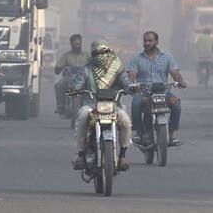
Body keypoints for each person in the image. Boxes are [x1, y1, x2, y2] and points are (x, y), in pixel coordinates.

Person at [72, 40, 132, 171]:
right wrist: (74, 88)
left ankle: (122, 156)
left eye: (103, 52)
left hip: (112, 106)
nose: (100, 56)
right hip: (91, 105)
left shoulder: (118, 69)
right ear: (92, 55)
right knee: (82, 117)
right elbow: (76, 84)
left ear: (109, 52)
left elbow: (126, 82)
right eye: (96, 53)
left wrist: (131, 88)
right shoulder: (87, 69)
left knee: (126, 121)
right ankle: (81, 154)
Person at [128, 31, 187, 146]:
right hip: (144, 93)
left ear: (156, 42)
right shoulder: (137, 58)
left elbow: (175, 72)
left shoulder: (167, 57)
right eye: (145, 41)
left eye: (150, 41)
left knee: (176, 104)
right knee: (135, 103)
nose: (147, 43)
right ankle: (138, 132)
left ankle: (171, 134)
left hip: (164, 93)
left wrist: (181, 82)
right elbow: (132, 75)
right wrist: (132, 85)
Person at [54, 34, 90, 115]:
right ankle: (60, 105)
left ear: (81, 44)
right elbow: (57, 69)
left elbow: (93, 64)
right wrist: (59, 67)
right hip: (69, 77)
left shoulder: (86, 55)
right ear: (71, 45)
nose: (76, 46)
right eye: (74, 44)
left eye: (78, 44)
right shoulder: (66, 55)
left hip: (84, 78)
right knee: (59, 85)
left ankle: (94, 105)